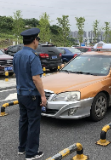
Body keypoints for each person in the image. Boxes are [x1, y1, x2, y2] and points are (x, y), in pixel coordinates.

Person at [13, 28, 47, 160]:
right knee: (33, 123)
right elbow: (36, 78)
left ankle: (22, 148)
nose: (38, 42)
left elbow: (17, 73)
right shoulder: (33, 56)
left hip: (20, 93)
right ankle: (31, 153)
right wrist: (43, 96)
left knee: (23, 121)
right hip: (32, 95)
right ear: (34, 40)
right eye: (37, 39)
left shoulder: (17, 55)